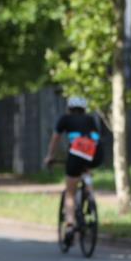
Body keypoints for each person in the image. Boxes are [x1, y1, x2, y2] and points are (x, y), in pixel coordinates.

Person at [44, 95, 103, 237]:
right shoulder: (90, 119)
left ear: (69, 108)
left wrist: (50, 156)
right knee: (86, 170)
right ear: (84, 109)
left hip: (76, 154)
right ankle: (90, 196)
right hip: (95, 153)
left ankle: (70, 223)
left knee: (70, 193)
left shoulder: (65, 119)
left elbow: (55, 139)